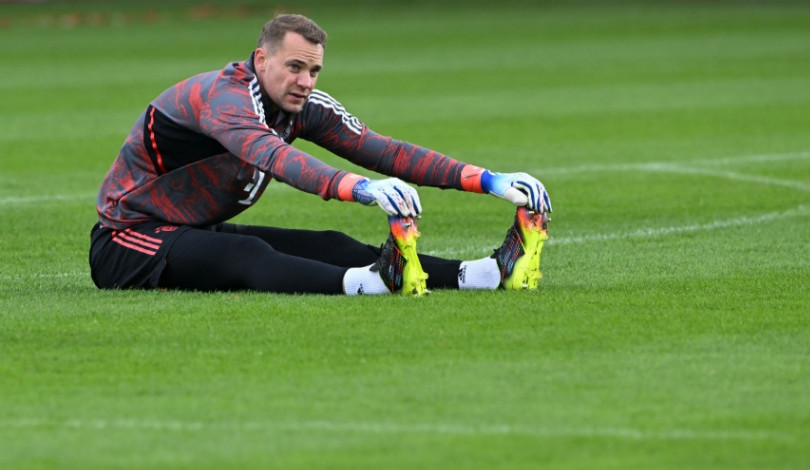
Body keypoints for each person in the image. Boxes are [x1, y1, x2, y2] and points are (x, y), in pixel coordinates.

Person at [89, 13, 551, 296]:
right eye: (295, 67)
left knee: (334, 245)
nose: (305, 82)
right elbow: (274, 156)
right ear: (261, 59)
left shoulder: (302, 105)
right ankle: (368, 285)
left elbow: (384, 151)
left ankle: (481, 275)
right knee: (245, 253)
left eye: (314, 70)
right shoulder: (225, 99)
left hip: (190, 227)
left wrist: (487, 179)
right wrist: (361, 189)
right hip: (127, 239)